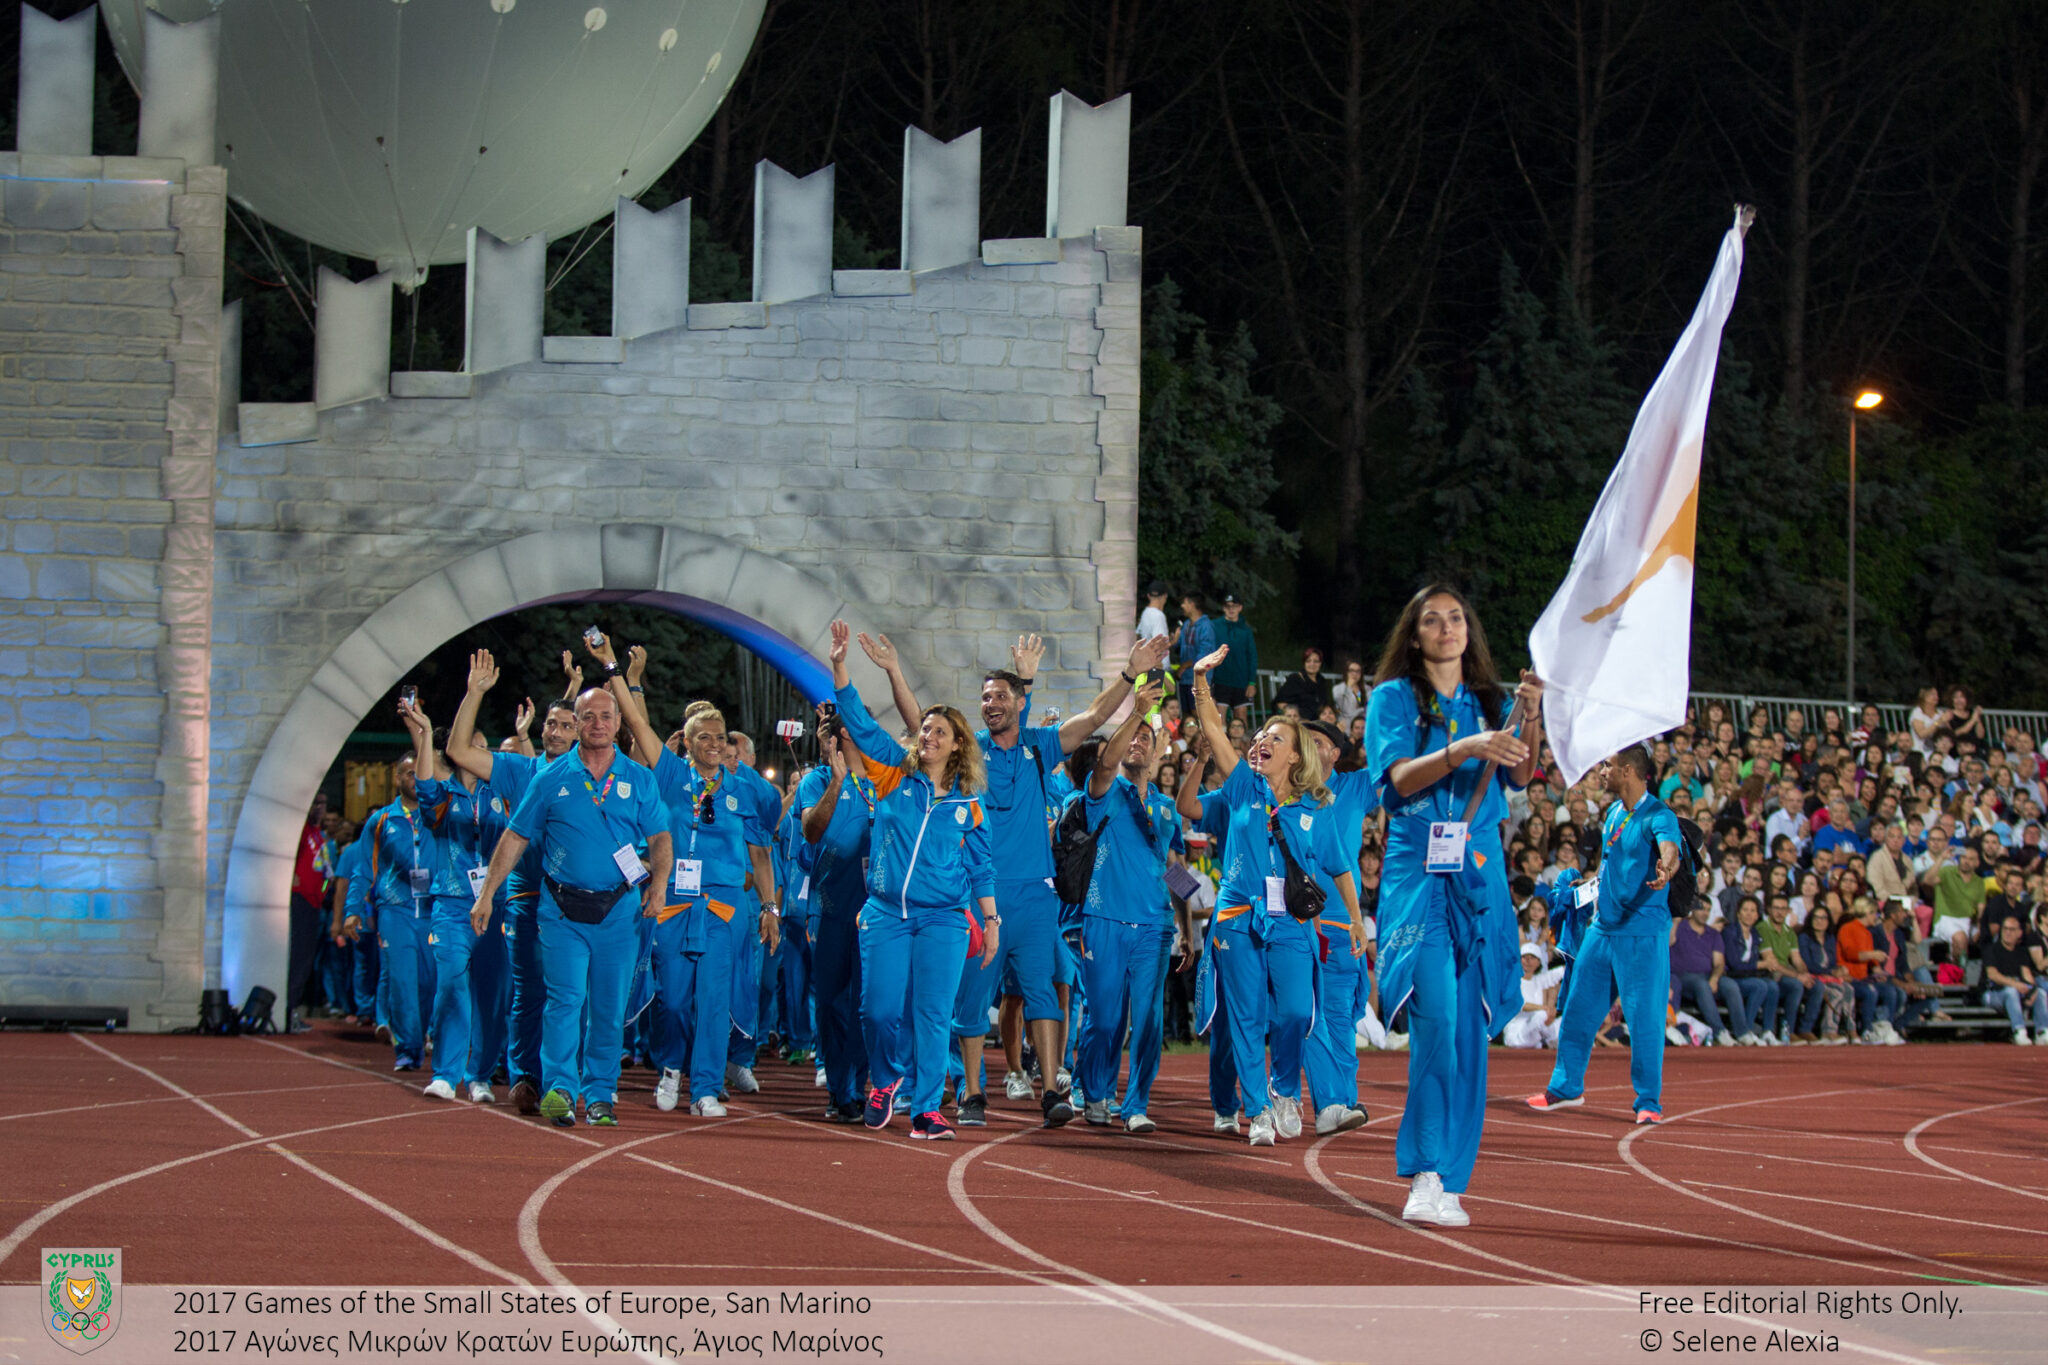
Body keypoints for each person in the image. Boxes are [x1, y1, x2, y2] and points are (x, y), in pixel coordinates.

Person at [927, 629, 1166, 1128]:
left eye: (999, 696)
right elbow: (925, 730)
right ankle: (971, 1094)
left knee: (1044, 993)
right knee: (972, 1001)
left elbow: (1096, 717)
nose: (989, 704)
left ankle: (1053, 1089)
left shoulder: (1040, 747)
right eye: (985, 697)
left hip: (1037, 896)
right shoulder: (969, 754)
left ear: (1019, 702)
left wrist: (1130, 673)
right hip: (982, 896)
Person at [1365, 584, 1541, 1229]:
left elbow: (1521, 774)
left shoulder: (1490, 700)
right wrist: (1463, 748)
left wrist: (1531, 712)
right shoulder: (1391, 698)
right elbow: (1398, 779)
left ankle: (1453, 1179)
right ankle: (1426, 1169)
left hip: (1480, 868)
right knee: (1436, 1019)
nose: (1447, 627)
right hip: (1418, 867)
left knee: (1471, 1031)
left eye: (1457, 617)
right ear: (1414, 636)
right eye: (1432, 619)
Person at [1186, 645, 1366, 1148]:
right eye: (1261, 734)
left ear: (1295, 755)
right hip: (1237, 918)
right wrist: (1201, 682)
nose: (1263, 740)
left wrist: (1354, 919)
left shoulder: (1316, 806)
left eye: (1276, 737)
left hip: (1290, 921)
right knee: (1245, 1019)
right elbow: (1214, 729)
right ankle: (1257, 1109)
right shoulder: (1243, 786)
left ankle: (1284, 1089)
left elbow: (1340, 867)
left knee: (1294, 1012)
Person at [826, 620, 999, 1140]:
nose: (927, 736)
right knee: (877, 1011)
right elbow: (857, 721)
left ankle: (926, 1107)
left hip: (944, 918)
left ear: (957, 746)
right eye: (924, 729)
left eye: (938, 732)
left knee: (931, 1016)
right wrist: (841, 667)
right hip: (884, 913)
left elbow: (982, 867)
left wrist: (990, 921)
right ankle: (884, 1081)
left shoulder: (969, 804)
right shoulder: (892, 775)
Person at [469, 686, 672, 1128]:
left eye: (606, 715)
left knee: (607, 1005)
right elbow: (516, 835)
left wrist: (658, 887)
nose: (598, 723)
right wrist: (487, 894)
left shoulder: (640, 779)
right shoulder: (550, 777)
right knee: (563, 1001)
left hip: (618, 912)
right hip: (560, 910)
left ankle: (600, 1094)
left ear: (618, 722)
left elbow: (659, 838)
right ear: (576, 722)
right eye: (588, 715)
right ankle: (561, 1088)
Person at [444, 651, 580, 1113]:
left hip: (581, 905)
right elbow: (459, 752)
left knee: (573, 995)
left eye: (566, 725)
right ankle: (525, 1078)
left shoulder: (595, 775)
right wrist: (475, 692)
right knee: (531, 994)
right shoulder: (521, 769)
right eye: (551, 725)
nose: (556, 731)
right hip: (527, 899)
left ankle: (572, 1081)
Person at [1528, 746, 1683, 1119]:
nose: (1600, 770)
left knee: (1644, 1019)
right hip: (1603, 930)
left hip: (1641, 934)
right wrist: (1587, 887)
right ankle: (1565, 1088)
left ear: (1627, 771)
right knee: (1578, 1009)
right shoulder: (1613, 812)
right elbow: (1610, 866)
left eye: (1607, 765)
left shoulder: (1658, 815)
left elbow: (1670, 848)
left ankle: (1648, 1102)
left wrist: (1666, 867)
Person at [1072, 677, 1190, 1133]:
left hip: (1155, 927)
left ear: (1160, 752)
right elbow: (1104, 763)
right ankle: (1095, 1090)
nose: (1138, 743)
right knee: (1104, 1019)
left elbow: (1173, 867)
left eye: (1147, 739)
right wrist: (1139, 711)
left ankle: (1136, 1103)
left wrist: (1186, 924)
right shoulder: (1103, 791)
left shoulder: (1165, 808)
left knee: (1148, 1021)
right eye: (1132, 737)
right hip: (1103, 920)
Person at [401, 700, 512, 1103]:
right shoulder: (443, 795)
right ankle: (446, 1073)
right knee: (451, 985)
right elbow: (425, 786)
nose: (482, 752)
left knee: (491, 993)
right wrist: (426, 733)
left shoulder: (501, 792)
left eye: (484, 746)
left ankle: (480, 1073)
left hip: (497, 905)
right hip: (452, 904)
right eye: (474, 745)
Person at [799, 708, 877, 1122]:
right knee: (831, 1004)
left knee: (868, 1005)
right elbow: (812, 831)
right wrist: (837, 778)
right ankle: (838, 1085)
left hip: (878, 914)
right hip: (831, 911)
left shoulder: (886, 781)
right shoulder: (816, 781)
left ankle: (856, 1087)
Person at [358, 752, 436, 1070]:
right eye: (408, 773)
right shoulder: (381, 821)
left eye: (420, 773)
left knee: (430, 982)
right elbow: (364, 869)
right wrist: (353, 910)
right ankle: (408, 1049)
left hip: (433, 909)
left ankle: (427, 1033)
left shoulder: (439, 815)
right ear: (397, 778)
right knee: (402, 980)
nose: (415, 779)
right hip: (395, 908)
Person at [286, 792, 334, 1031]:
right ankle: (288, 1011)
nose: (318, 808)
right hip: (300, 900)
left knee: (305, 960)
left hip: (315, 903)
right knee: (297, 958)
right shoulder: (301, 831)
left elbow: (324, 872)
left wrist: (325, 889)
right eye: (314, 802)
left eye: (322, 803)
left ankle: (293, 1008)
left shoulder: (319, 835)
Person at [1980, 913, 2048, 1044]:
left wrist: (2032, 990)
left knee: (2040, 993)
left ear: (2019, 933)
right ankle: (2019, 1031)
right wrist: (2016, 985)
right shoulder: (1992, 949)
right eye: (2005, 929)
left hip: (2016, 993)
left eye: (2012, 930)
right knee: (2011, 992)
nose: (2007, 933)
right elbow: (1992, 975)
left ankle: (2042, 1032)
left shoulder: (2021, 952)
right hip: (1992, 993)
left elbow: (2027, 975)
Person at [1209, 593, 1260, 723]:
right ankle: (1221, 743)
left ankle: (1242, 743)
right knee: (1219, 717)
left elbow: (1252, 656)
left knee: (1241, 717)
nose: (1231, 609)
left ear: (1240, 608)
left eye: (1234, 606)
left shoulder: (1246, 630)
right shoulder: (1214, 626)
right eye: (1228, 606)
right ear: (1223, 608)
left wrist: (1252, 682)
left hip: (1241, 681)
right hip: (1220, 680)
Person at [1502, 945, 1562, 1048]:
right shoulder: (1512, 981)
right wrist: (1544, 1008)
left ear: (1538, 963)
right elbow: (1520, 1004)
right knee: (1542, 1015)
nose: (1528, 961)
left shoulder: (1538, 980)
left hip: (1535, 1034)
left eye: (1532, 958)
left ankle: (1552, 1040)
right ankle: (1553, 1041)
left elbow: (1561, 972)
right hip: (1517, 1035)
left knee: (1565, 1018)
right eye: (1525, 957)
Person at [1173, 592, 1218, 719]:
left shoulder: (1206, 626)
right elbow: (1179, 646)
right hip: (1185, 679)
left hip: (1200, 679)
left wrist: (1184, 666)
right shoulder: (1186, 624)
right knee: (1188, 717)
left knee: (1198, 714)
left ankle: (1205, 739)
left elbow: (1205, 655)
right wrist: (1173, 641)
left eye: (1185, 603)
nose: (1182, 605)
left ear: (1192, 605)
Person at [1275, 648, 1334, 719]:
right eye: (1308, 661)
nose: (1312, 664)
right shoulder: (1295, 679)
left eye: (1316, 661)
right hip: (1299, 722)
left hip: (1319, 722)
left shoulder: (1322, 681)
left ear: (1320, 663)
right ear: (1304, 663)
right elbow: (1281, 703)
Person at [1330, 660, 1368, 730]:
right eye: (1351, 671)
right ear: (1346, 672)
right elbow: (1341, 709)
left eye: (1358, 671)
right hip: (1345, 725)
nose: (1354, 674)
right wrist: (1348, 688)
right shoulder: (1337, 689)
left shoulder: (1367, 689)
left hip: (1362, 726)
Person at [1138, 581, 1170, 646]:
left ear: (1148, 596)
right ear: (1165, 596)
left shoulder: (1145, 613)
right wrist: (1174, 641)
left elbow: (1138, 635)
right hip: (1155, 656)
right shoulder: (1159, 616)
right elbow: (1160, 645)